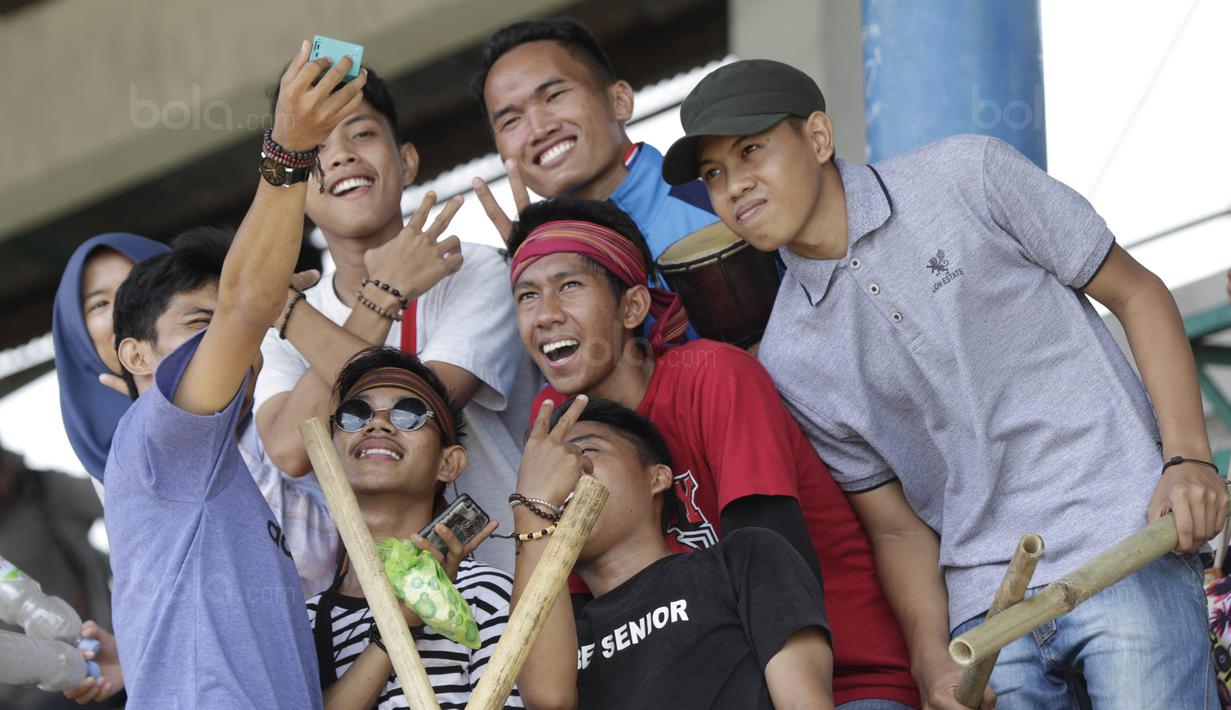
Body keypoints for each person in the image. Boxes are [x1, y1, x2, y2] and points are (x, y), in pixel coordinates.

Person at [663, 58, 1227, 709]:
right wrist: (930, 656)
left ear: (817, 137)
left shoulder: (967, 175)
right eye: (713, 174)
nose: (733, 186)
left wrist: (1186, 458)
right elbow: (896, 528)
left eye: (750, 150)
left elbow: (1138, 293)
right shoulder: (788, 354)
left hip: (1119, 547)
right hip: (983, 620)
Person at [507, 198, 920, 708]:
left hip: (840, 683)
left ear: (633, 306)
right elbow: (560, 640)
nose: (546, 314)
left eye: (569, 285)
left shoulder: (713, 375)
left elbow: (773, 571)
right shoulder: (553, 423)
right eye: (527, 294)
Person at [101, 42, 365, 707]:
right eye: (201, 325)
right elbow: (249, 307)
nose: (234, 346)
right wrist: (290, 149)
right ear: (135, 357)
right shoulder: (162, 442)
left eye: (226, 329)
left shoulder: (215, 480)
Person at [256, 64, 538, 573]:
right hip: (379, 609)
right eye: (316, 149)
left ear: (406, 162)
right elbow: (291, 450)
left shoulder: (474, 268)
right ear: (295, 187)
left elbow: (422, 408)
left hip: (507, 576)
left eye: (361, 133)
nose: (340, 154)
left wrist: (285, 309)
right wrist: (384, 295)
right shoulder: (296, 317)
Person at [512, 395, 833, 709]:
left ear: (657, 477)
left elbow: (804, 701)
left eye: (586, 452)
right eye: (551, 471)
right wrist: (534, 507)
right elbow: (548, 700)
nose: (568, 474)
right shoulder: (561, 643)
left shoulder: (741, 558)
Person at [306, 346, 521, 709]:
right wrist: (399, 625)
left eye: (409, 414)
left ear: (449, 463)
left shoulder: (484, 593)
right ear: (330, 454)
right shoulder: (304, 621)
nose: (377, 424)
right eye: (356, 415)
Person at [469, 17, 717, 258]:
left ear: (619, 101)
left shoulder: (723, 207)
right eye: (511, 120)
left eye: (554, 95)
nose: (538, 130)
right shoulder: (530, 273)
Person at [52, 233, 168, 489]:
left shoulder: (258, 373)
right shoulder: (105, 453)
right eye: (100, 304)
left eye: (138, 286)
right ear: (79, 336)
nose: (122, 311)